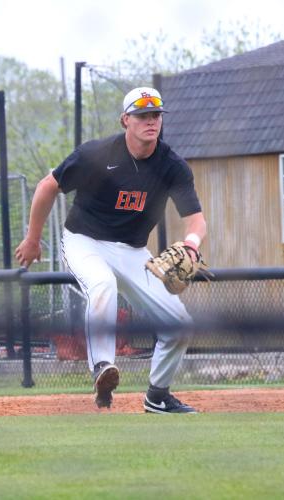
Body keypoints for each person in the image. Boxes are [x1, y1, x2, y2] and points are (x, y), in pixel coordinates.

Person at [15, 87, 207, 413]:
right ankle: (103, 366)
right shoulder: (97, 155)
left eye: (156, 115)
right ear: (125, 120)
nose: (151, 121)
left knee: (179, 324)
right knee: (102, 284)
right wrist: (33, 239)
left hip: (133, 251)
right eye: (143, 115)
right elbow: (48, 186)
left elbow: (196, 221)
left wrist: (191, 244)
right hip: (84, 240)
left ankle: (158, 396)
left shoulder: (172, 166)